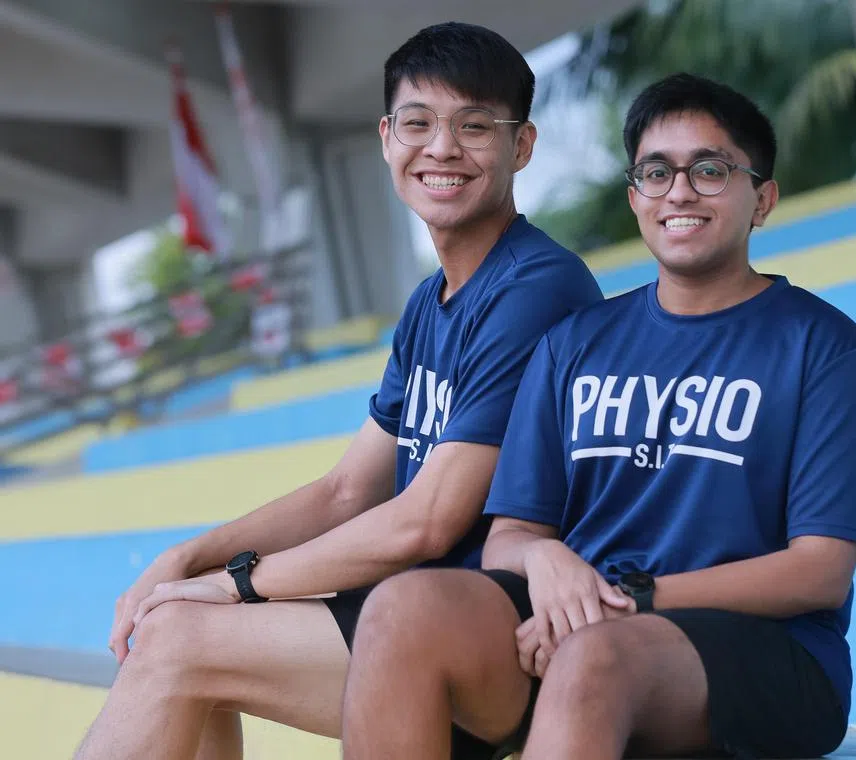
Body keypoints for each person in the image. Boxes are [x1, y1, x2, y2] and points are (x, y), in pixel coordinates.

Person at [74, 21, 603, 760]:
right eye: (419, 123)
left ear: (521, 146)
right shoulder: (430, 304)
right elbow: (347, 492)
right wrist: (188, 559)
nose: (442, 149)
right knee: (176, 636)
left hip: (496, 627)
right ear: (387, 137)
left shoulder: (536, 288)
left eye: (475, 126)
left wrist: (235, 586)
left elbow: (426, 522)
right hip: (405, 607)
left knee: (181, 640)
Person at [340, 72, 856, 760]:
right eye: (656, 172)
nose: (680, 191)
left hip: (770, 657)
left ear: (763, 199)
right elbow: (512, 532)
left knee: (597, 656)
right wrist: (547, 562)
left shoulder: (820, 346)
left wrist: (629, 599)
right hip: (581, 625)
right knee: (400, 609)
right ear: (636, 199)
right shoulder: (574, 345)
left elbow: (819, 572)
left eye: (711, 170)